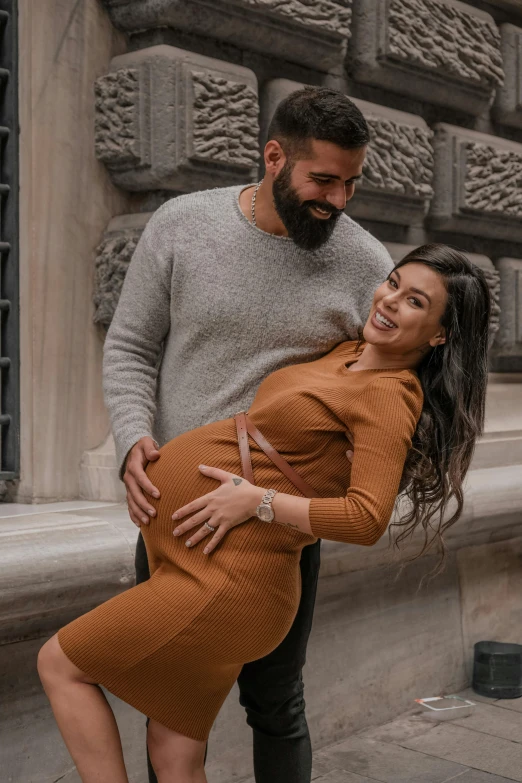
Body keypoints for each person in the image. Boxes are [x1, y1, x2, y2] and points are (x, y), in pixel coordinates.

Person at [38, 244, 491, 783]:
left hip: (229, 586)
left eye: (415, 301)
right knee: (173, 747)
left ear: (439, 334)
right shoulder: (349, 353)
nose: (389, 301)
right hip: (204, 563)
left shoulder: (390, 395)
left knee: (60, 665)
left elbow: (367, 519)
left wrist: (259, 501)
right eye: (393, 283)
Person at [69, 86, 394, 783]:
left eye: (352, 183)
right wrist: (132, 439)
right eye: (324, 180)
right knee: (172, 711)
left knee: (276, 703)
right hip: (173, 518)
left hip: (274, 530)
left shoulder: (368, 265)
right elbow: (130, 345)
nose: (339, 201)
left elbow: (382, 392)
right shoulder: (182, 225)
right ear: (274, 156)